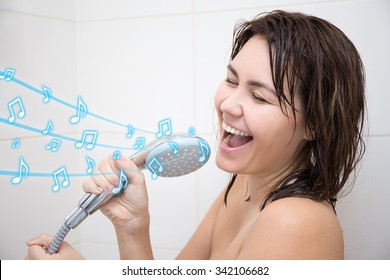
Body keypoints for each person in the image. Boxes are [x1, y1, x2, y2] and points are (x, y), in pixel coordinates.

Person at [26, 10, 365, 260]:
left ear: (315, 124)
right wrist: (133, 225)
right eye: (232, 81)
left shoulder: (295, 221)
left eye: (259, 96)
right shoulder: (243, 186)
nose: (229, 104)